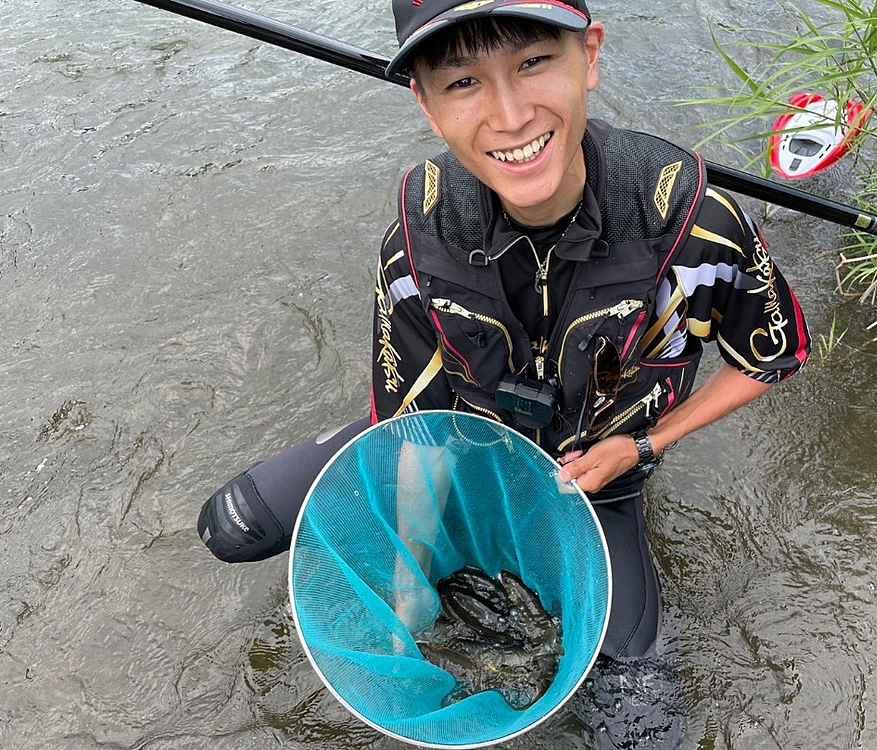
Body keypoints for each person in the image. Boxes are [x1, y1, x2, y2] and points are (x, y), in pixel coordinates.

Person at [198, 0, 809, 666]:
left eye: (534, 62)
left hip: (596, 478)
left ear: (590, 56)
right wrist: (411, 584)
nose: (511, 116)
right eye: (464, 81)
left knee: (632, 688)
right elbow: (418, 436)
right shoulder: (417, 245)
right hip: (466, 445)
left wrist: (641, 446)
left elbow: (770, 359)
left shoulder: (696, 227)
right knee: (233, 525)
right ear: (427, 105)